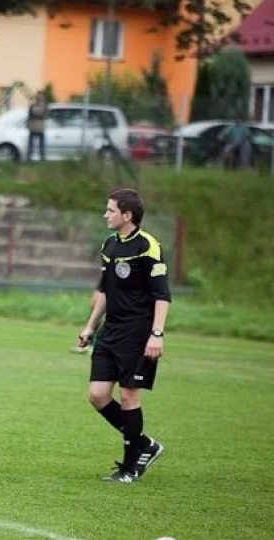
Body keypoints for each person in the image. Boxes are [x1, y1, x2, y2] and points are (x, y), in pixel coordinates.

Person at [77, 188, 170, 483]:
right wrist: (90, 326)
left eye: (111, 210)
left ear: (127, 215)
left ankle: (130, 468)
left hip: (138, 332)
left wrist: (156, 334)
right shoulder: (110, 245)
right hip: (111, 331)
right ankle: (144, 445)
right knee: (97, 395)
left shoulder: (148, 246)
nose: (106, 214)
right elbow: (105, 291)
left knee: (129, 397)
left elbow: (162, 296)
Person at [27, 91, 47, 162]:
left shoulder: (44, 105)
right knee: (31, 144)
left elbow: (43, 114)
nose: (39, 97)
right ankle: (29, 158)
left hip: (40, 127)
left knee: (41, 144)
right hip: (33, 126)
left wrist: (35, 112)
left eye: (40, 96)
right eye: (38, 96)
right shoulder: (33, 105)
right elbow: (31, 114)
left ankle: (42, 158)